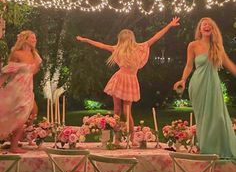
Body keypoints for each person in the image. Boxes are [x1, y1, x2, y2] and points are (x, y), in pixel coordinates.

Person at [76, 17, 180, 145]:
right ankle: (118, 139)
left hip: (129, 80)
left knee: (125, 111)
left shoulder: (138, 47)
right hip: (120, 79)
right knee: (118, 110)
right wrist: (86, 40)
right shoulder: (119, 49)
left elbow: (156, 36)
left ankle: (130, 138)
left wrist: (169, 25)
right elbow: (101, 45)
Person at [173, 17, 236, 159]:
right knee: (203, 118)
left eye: (209, 25)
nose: (207, 26)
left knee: (219, 117)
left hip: (213, 85)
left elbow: (229, 64)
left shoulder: (217, 47)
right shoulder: (193, 45)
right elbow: (189, 65)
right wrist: (183, 80)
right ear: (200, 29)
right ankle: (206, 151)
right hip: (198, 84)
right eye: (204, 25)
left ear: (213, 29)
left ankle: (220, 150)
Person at [0, 30, 42, 153]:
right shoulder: (17, 54)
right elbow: (7, 72)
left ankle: (19, 138)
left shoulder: (36, 56)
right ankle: (14, 145)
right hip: (16, 88)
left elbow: (33, 72)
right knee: (21, 115)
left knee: (33, 111)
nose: (35, 40)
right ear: (25, 39)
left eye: (35, 38)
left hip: (28, 89)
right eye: (32, 38)